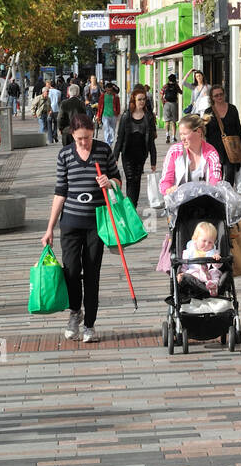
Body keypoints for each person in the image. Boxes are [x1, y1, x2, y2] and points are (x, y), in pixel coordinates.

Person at [42, 111, 122, 343]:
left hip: (96, 223)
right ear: (72, 136)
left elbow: (118, 180)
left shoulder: (103, 150)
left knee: (92, 274)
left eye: (87, 137)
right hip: (70, 223)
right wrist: (49, 228)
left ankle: (89, 325)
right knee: (72, 271)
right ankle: (75, 311)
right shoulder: (65, 155)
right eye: (80, 139)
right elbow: (60, 192)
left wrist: (109, 183)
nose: (85, 142)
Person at [159, 112, 222, 197]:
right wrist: (168, 190)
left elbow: (216, 178)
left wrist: (211, 190)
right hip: (179, 203)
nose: (182, 138)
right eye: (180, 134)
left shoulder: (211, 153)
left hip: (204, 202)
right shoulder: (174, 151)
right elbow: (165, 180)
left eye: (185, 134)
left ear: (199, 131)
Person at [114, 88, 157, 208]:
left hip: (141, 154)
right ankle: (130, 207)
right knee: (130, 178)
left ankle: (133, 206)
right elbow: (120, 138)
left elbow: (152, 141)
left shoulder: (148, 117)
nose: (142, 102)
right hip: (127, 153)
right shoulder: (126, 116)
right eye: (139, 99)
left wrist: (153, 161)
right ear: (134, 100)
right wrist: (115, 157)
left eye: (144, 99)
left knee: (137, 180)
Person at [204, 83, 241, 186]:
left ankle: (228, 196)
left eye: (221, 94)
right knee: (216, 174)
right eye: (216, 95)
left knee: (230, 174)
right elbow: (204, 132)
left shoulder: (232, 109)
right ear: (212, 98)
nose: (219, 97)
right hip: (214, 147)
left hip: (231, 147)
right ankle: (217, 196)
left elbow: (238, 128)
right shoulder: (208, 112)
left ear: (224, 94)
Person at [178, 221, 226, 298]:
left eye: (210, 242)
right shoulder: (189, 251)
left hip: (209, 273)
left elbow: (217, 266)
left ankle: (212, 285)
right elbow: (184, 265)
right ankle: (207, 278)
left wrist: (217, 260)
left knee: (215, 272)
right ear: (195, 239)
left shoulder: (213, 252)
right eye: (204, 241)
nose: (207, 244)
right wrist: (181, 273)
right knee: (189, 274)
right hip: (195, 273)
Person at [97, 82, 121, 148]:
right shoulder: (102, 96)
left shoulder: (115, 96)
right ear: (105, 89)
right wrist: (98, 116)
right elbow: (100, 106)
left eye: (110, 90)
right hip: (105, 115)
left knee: (112, 130)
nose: (109, 91)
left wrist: (118, 113)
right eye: (108, 90)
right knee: (106, 129)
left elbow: (118, 105)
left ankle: (110, 142)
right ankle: (107, 142)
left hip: (113, 115)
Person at [161, 73, 181, 144]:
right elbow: (181, 92)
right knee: (174, 122)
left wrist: (163, 103)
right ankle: (173, 137)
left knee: (167, 121)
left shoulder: (165, 86)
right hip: (174, 104)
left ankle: (167, 135)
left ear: (168, 79)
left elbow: (161, 94)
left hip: (166, 104)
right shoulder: (176, 85)